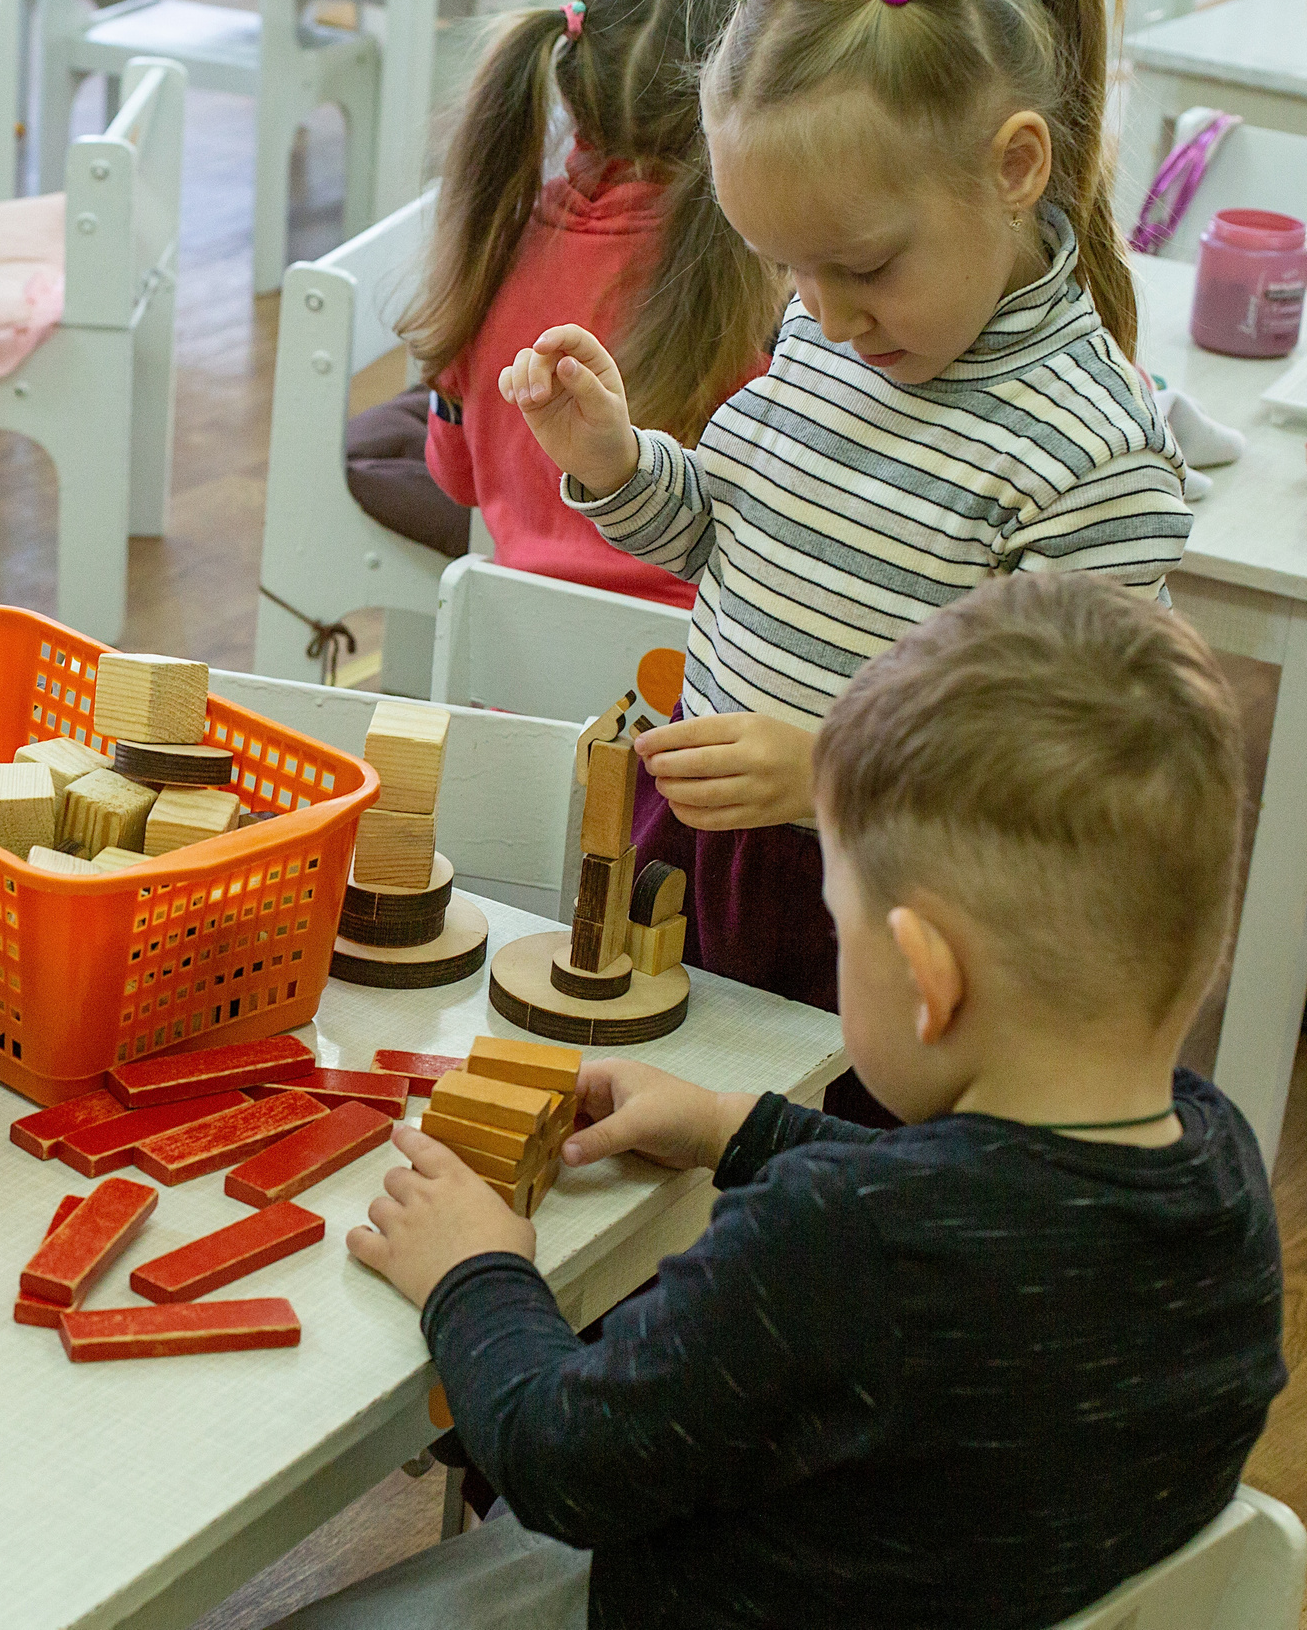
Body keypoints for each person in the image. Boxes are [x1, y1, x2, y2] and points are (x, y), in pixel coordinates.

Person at [312, 570, 1284, 1630]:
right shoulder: (1218, 1163)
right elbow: (973, 1208)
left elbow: (563, 1459)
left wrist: (474, 1269)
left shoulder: (834, 1243)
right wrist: (741, 1125)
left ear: (929, 977)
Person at [497, 0, 1190, 1112]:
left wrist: (832, 771)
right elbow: (730, 539)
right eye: (787, 267)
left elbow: (1082, 781)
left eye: (863, 266)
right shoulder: (827, 329)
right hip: (707, 848)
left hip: (894, 913)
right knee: (654, 1151)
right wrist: (617, 468)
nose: (827, 311)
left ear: (1015, 165)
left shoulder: (1092, 453)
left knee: (812, 1205)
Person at [399, 0, 782, 608]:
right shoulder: (765, 271)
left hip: (505, 663)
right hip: (696, 688)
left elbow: (454, 479)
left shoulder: (492, 241)